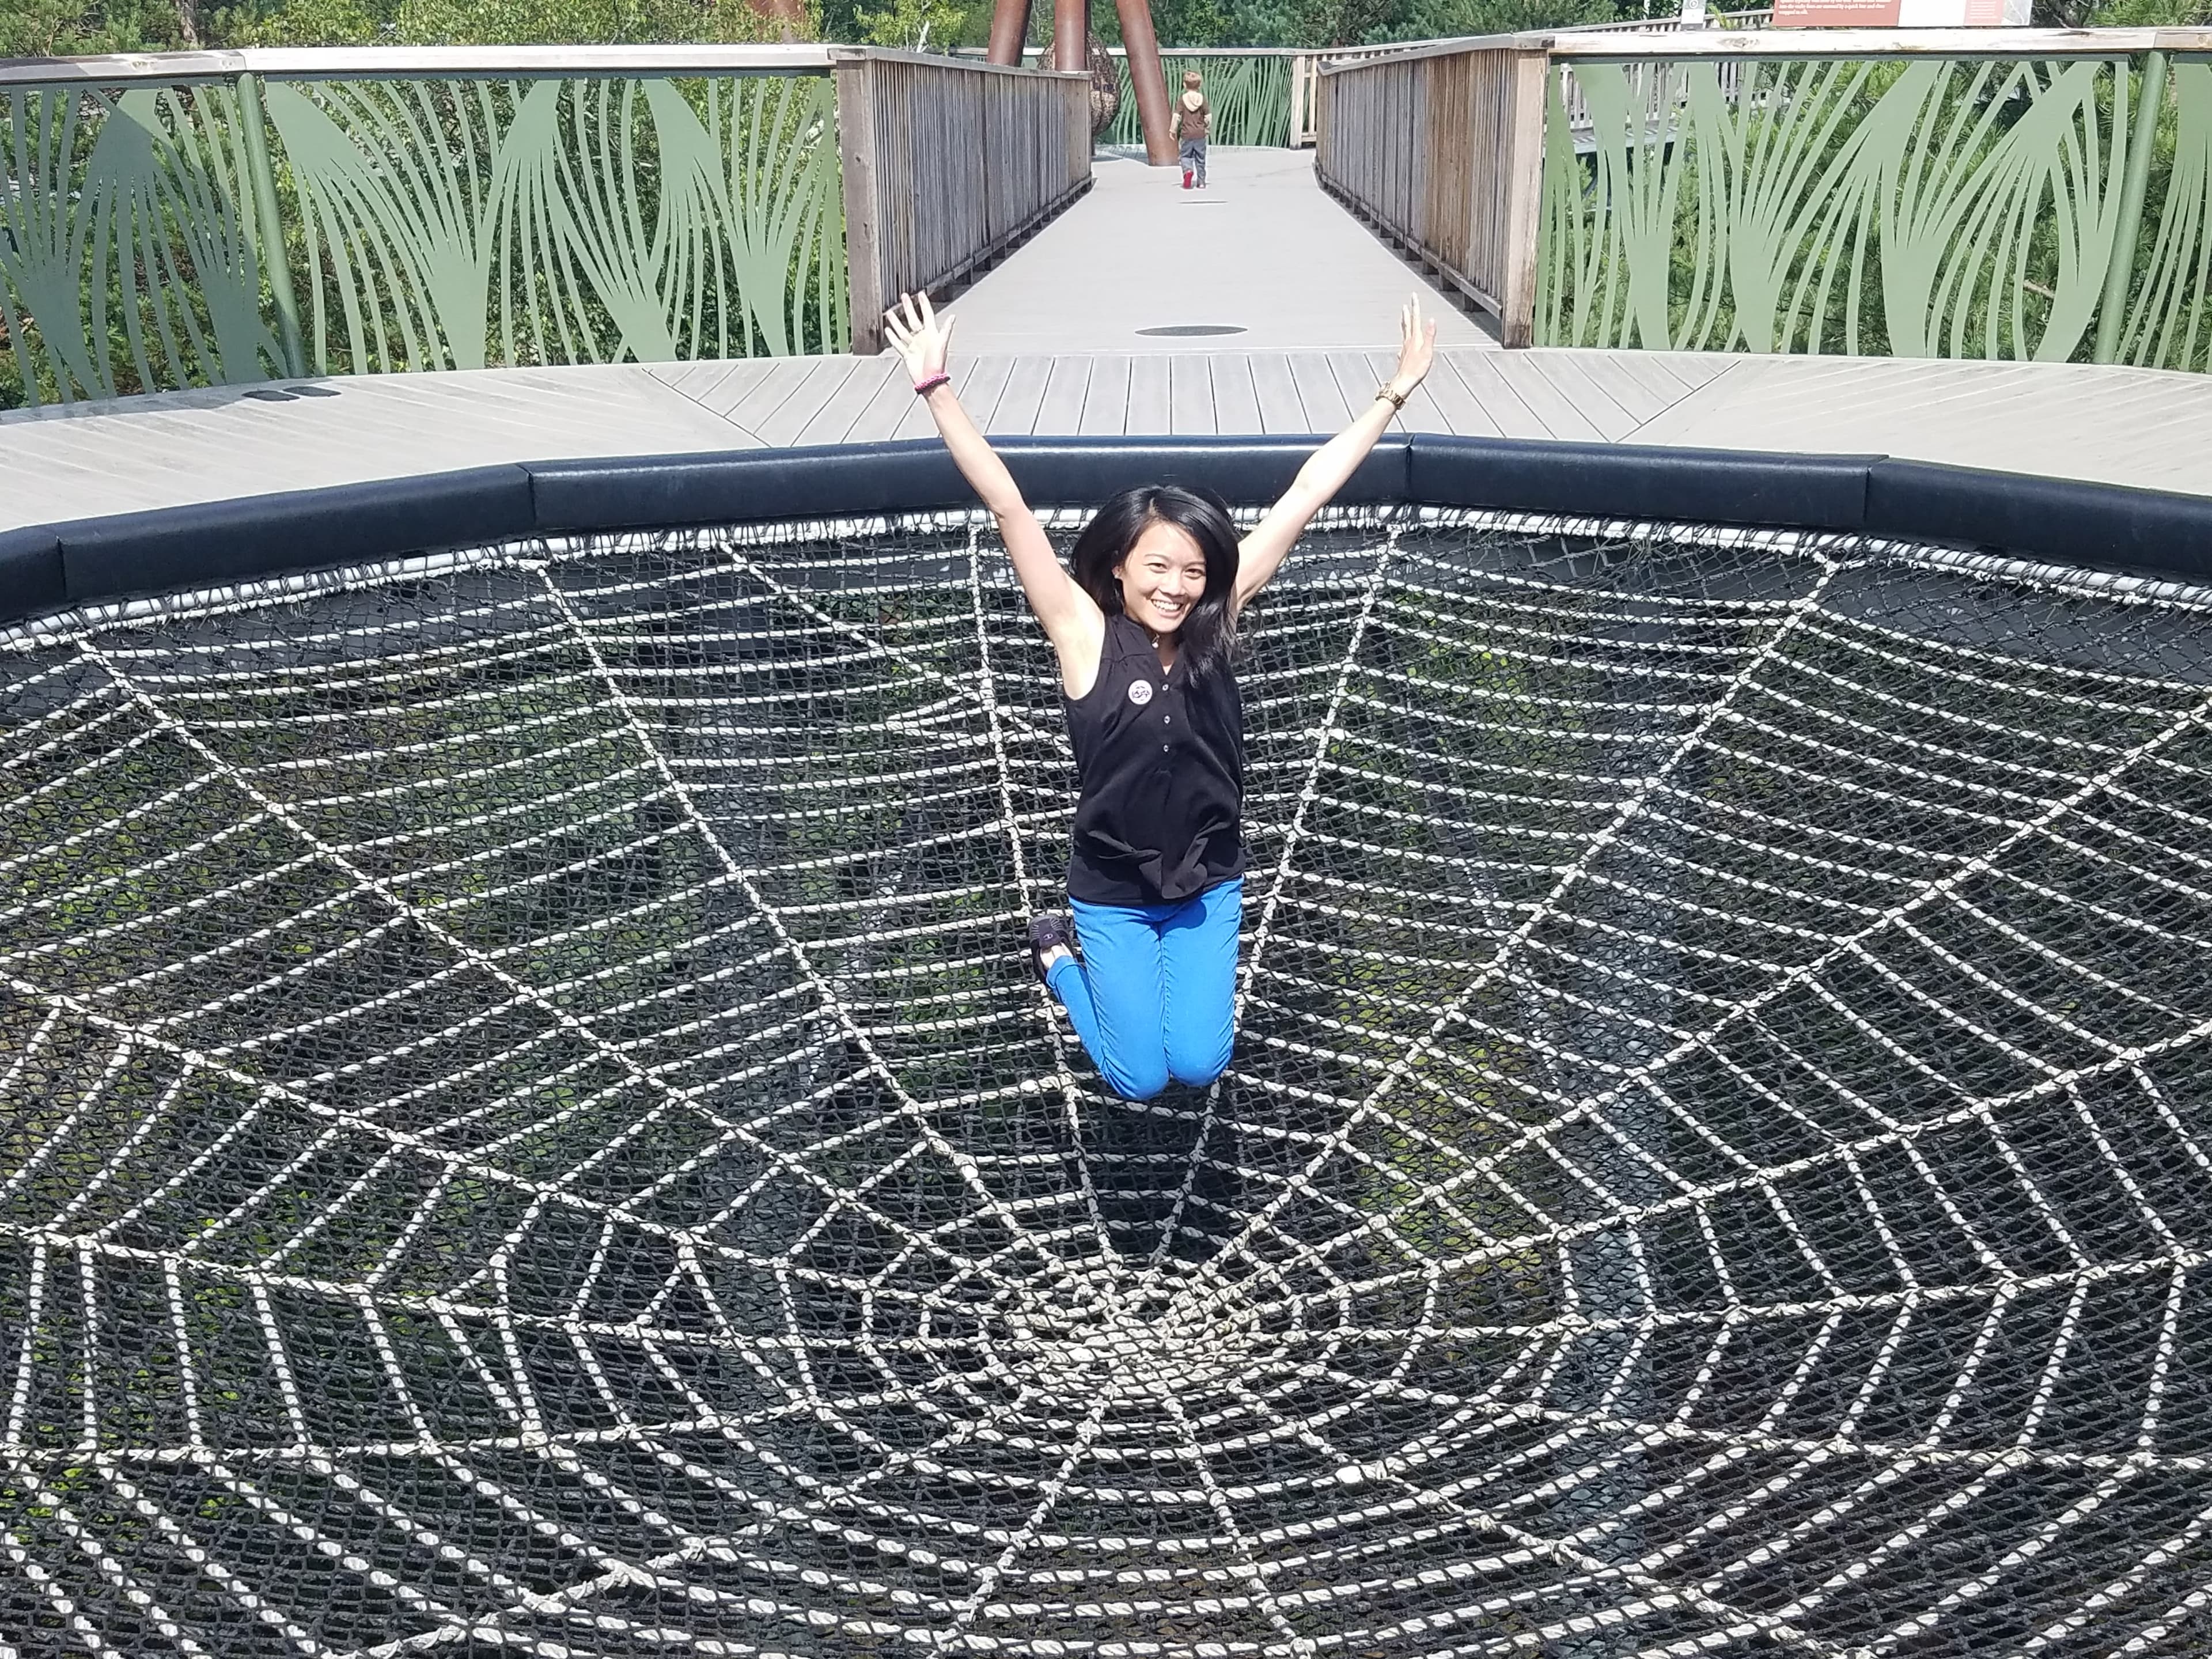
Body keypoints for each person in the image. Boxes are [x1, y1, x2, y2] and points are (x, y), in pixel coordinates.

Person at [881, 290, 1437, 1100]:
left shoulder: (1219, 618)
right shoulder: (1083, 633)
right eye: (1157, 568)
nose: (1176, 588)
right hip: (1112, 892)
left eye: (1194, 571)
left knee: (1201, 1062)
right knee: (1140, 1077)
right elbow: (1007, 504)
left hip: (1207, 884)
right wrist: (936, 389)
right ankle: (1059, 964)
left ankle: (1115, 985)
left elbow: (1305, 495)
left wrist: (1394, 392)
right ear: (1118, 566)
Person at [1175, 70, 1209, 190]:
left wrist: (1172, 130)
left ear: (1184, 85)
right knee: (1201, 158)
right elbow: (1208, 117)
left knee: (1185, 156)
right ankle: (1201, 182)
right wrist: (1207, 129)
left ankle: (1188, 171)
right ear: (1199, 85)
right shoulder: (1202, 99)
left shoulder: (1182, 100)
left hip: (1186, 134)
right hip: (1200, 135)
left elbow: (1176, 117)